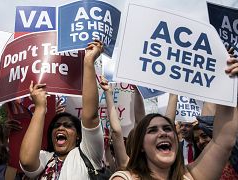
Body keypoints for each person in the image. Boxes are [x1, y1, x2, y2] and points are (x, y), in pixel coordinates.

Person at [110, 57, 238, 180]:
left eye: (167, 128)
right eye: (152, 130)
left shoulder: (193, 176)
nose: (163, 133)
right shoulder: (125, 178)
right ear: (141, 145)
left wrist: (228, 80)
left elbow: (223, 140)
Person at [19, 40, 104, 179]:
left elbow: (90, 117)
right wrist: (40, 108)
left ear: (78, 135)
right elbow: (27, 162)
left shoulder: (88, 153)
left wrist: (88, 61)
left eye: (68, 126)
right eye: (56, 126)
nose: (60, 128)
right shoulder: (44, 158)